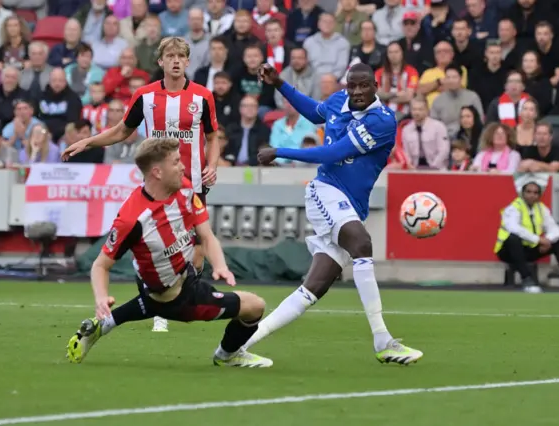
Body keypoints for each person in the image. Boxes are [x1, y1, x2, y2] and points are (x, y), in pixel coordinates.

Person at [250, 62, 424, 365]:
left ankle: (240, 343)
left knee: (313, 288)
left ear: (375, 86)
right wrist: (280, 83)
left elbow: (335, 152)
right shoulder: (338, 101)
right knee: (362, 244)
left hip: (351, 204)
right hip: (325, 191)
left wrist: (280, 151)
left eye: (363, 85)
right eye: (351, 85)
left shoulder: (381, 121)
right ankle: (383, 340)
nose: (356, 91)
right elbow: (315, 112)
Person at [66, 137, 272, 368]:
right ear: (157, 172)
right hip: (179, 298)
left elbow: (206, 235)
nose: (183, 166)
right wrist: (101, 297)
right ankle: (227, 355)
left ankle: (101, 326)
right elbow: (100, 265)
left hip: (173, 276)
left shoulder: (184, 188)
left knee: (188, 255)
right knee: (255, 306)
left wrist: (220, 265)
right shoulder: (132, 219)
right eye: (175, 162)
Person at [61, 37, 220, 333]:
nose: (175, 60)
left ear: (187, 62)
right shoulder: (145, 96)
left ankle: (181, 301)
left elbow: (213, 137)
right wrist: (86, 141)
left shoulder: (202, 97)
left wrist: (212, 165)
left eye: (180, 56)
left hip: (193, 184)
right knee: (160, 246)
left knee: (196, 249)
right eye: (169, 56)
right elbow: (123, 130)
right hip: (159, 185)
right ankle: (162, 306)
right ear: (160, 61)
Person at [494, 181, 559, 293]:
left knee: (558, 241)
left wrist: (548, 240)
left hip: (529, 249)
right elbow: (514, 228)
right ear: (522, 193)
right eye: (528, 192)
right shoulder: (513, 208)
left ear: (539, 195)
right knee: (513, 238)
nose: (532, 195)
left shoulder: (541, 208)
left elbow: (555, 229)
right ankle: (526, 278)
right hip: (507, 251)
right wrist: (538, 239)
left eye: (535, 193)